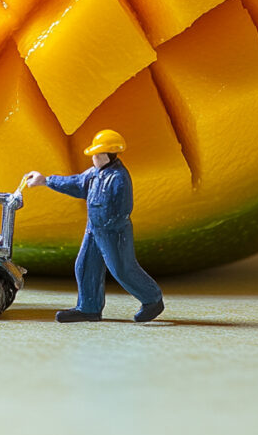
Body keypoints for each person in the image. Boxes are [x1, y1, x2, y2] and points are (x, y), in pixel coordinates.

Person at [22, 129, 164, 323]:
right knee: (85, 265)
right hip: (94, 230)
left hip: (113, 232)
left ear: (109, 155)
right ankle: (89, 308)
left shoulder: (119, 178)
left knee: (122, 268)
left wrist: (108, 227)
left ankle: (152, 299)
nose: (94, 158)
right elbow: (74, 183)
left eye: (97, 155)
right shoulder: (93, 174)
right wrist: (46, 180)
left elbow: (123, 208)